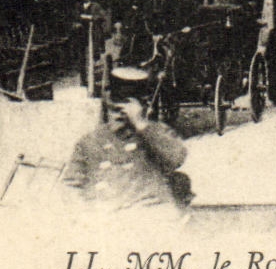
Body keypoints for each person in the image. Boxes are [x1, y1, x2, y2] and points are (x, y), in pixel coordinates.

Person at [65, 82, 192, 211]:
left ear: (141, 108)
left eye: (127, 110)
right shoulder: (90, 141)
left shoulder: (155, 133)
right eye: (115, 109)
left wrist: (141, 124)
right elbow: (71, 184)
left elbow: (176, 158)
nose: (120, 115)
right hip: (105, 214)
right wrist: (88, 210)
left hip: (150, 211)